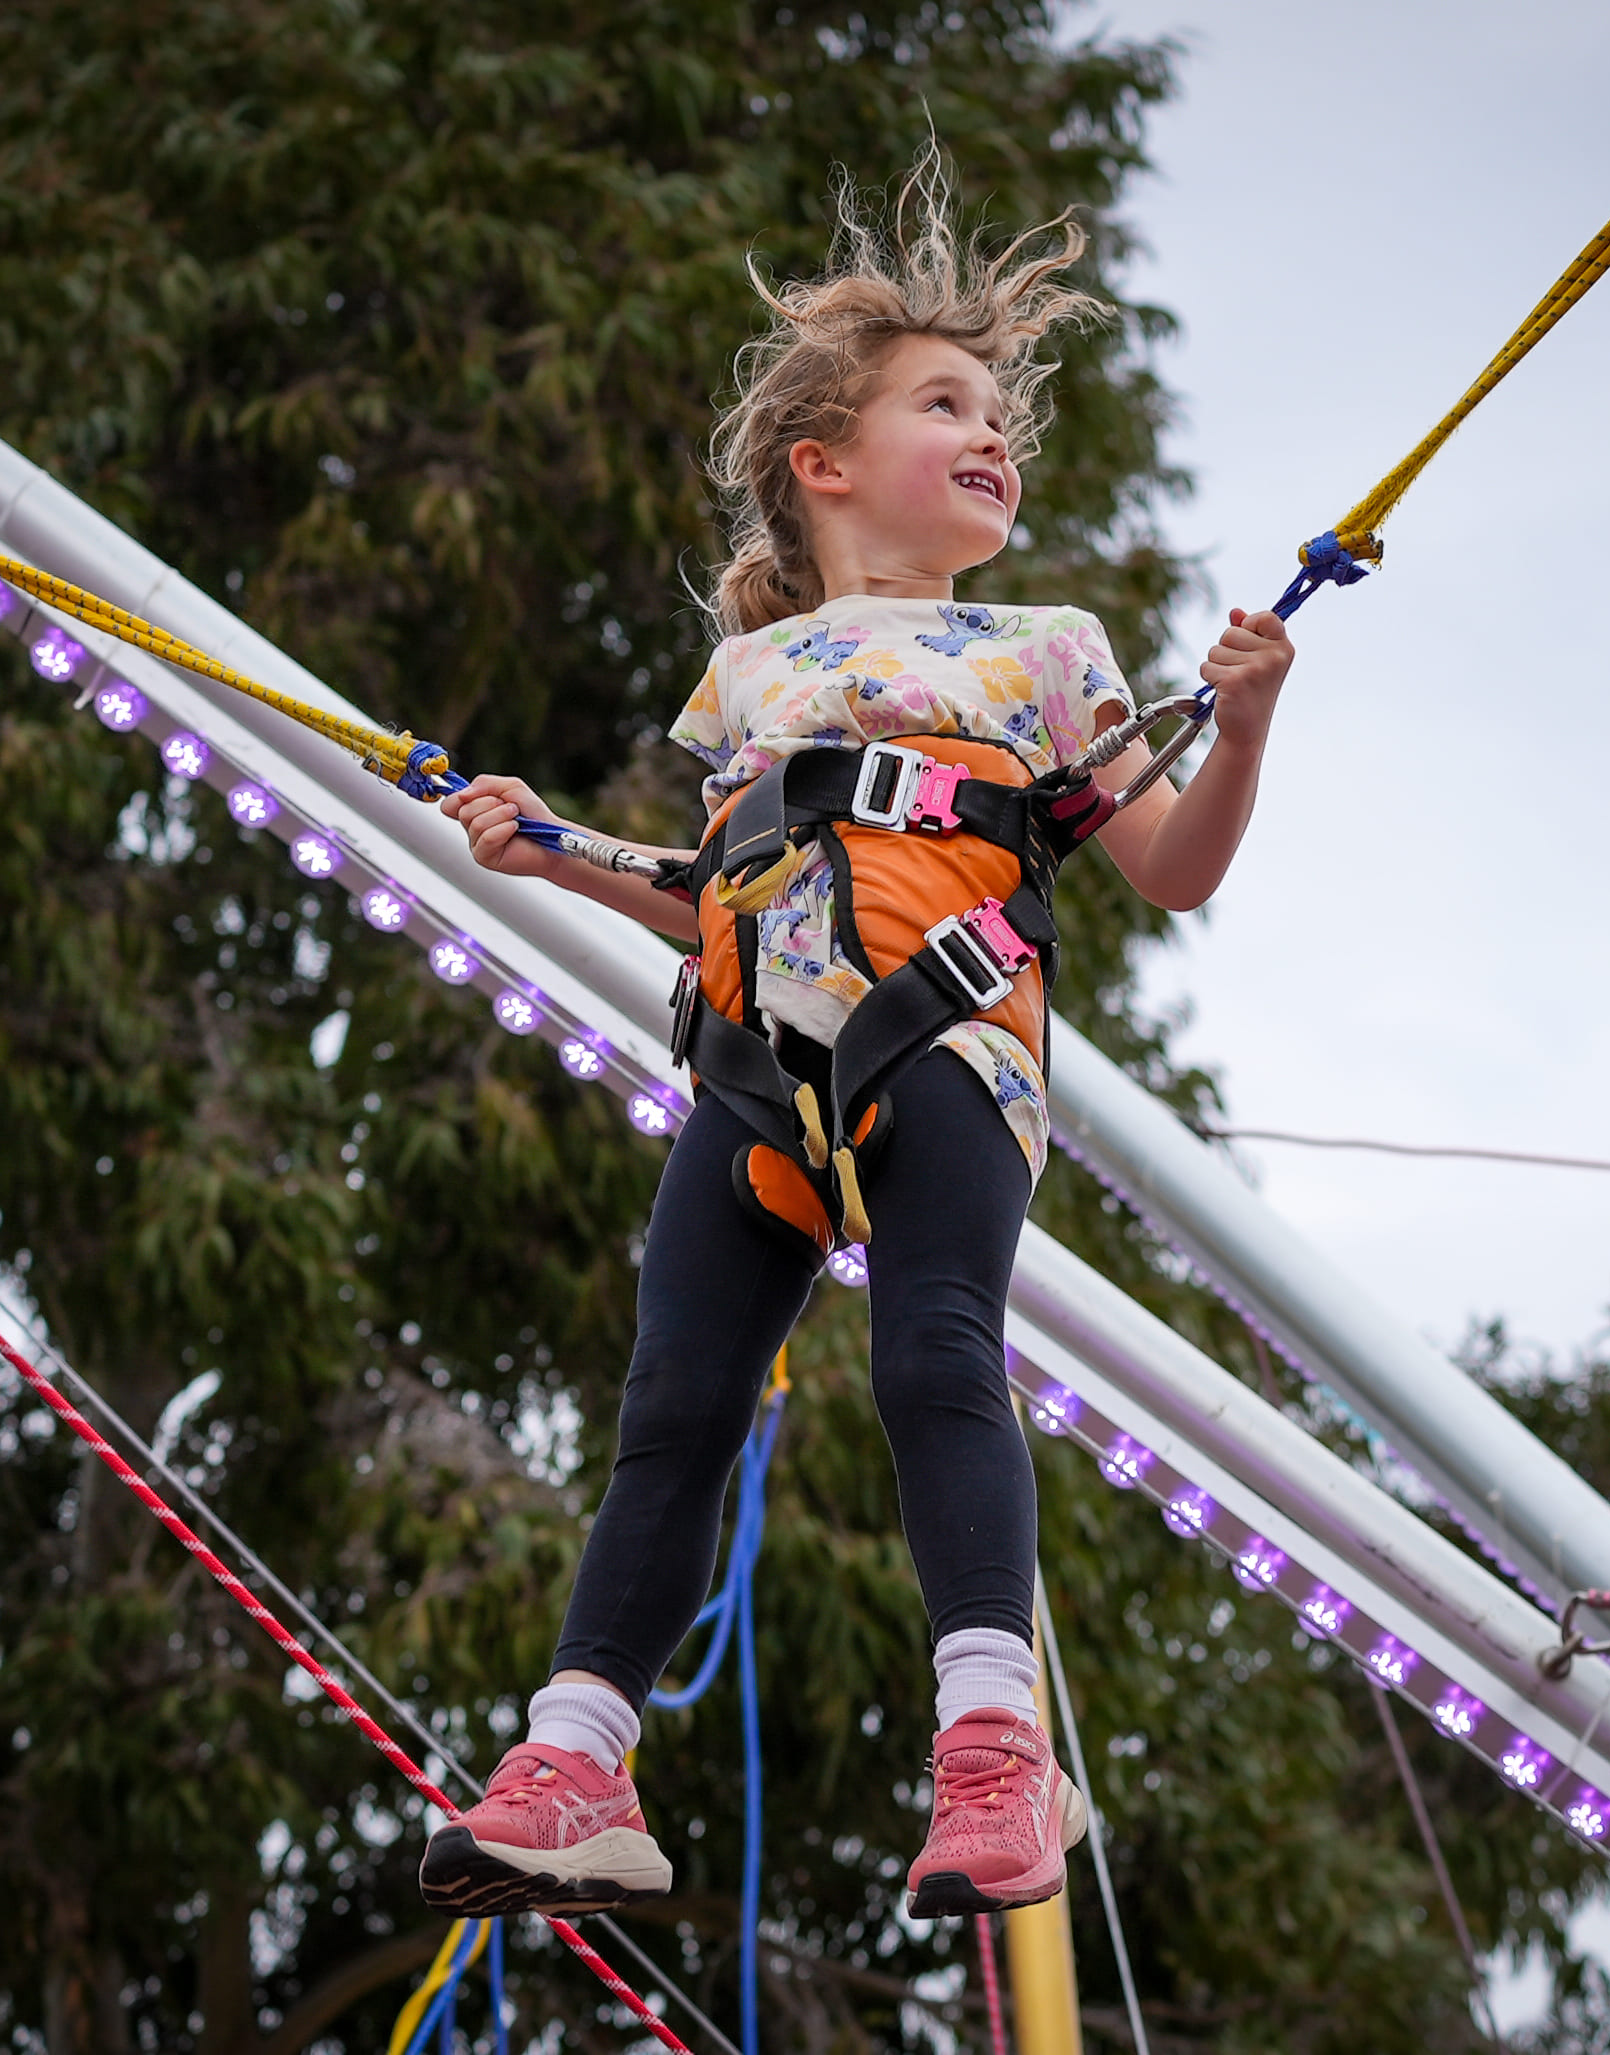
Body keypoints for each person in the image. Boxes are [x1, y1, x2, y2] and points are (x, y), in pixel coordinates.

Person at [421, 152, 1294, 1923]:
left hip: (949, 1047)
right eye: (945, 403)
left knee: (934, 1359)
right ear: (825, 465)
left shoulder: (1046, 653)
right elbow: (731, 888)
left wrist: (1252, 725)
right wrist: (558, 852)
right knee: (672, 1412)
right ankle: (578, 1762)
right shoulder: (749, 682)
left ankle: (993, 1749)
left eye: (997, 411)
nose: (993, 434)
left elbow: (1174, 869)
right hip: (751, 1070)